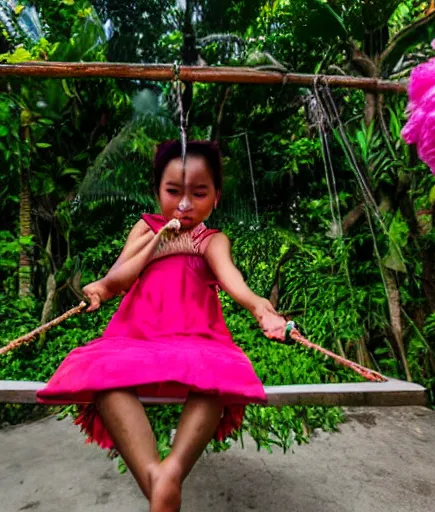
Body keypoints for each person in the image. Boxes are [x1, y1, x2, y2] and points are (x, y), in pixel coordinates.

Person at [36, 140, 288, 512]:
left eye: (199, 193)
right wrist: (154, 243)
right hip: (133, 337)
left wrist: (259, 308)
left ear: (216, 197)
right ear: (157, 192)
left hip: (198, 338)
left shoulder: (210, 240)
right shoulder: (146, 227)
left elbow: (233, 279)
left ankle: (169, 470)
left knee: (217, 376)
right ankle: (161, 476)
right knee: (105, 376)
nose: (184, 205)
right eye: (173, 192)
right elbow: (117, 279)